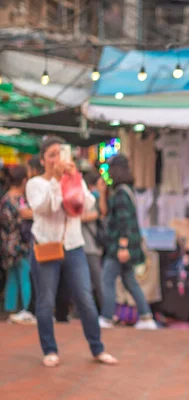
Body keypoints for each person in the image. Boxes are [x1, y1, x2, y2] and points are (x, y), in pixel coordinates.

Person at [26, 136, 117, 368]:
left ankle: (97, 348)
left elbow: (86, 204)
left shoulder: (74, 178)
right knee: (46, 300)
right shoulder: (35, 184)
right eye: (52, 155)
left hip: (74, 246)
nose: (57, 159)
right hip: (47, 246)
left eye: (60, 153)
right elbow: (45, 208)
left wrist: (74, 179)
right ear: (44, 160)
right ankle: (49, 349)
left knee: (85, 298)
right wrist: (56, 181)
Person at [98, 155, 157, 330]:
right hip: (123, 245)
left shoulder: (122, 192)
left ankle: (106, 318)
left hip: (119, 246)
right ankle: (146, 317)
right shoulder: (122, 191)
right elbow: (105, 212)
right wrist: (103, 193)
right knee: (129, 280)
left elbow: (124, 222)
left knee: (107, 279)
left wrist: (123, 246)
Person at [0, 165, 35, 324]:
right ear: (23, 181)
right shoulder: (18, 200)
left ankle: (10, 310)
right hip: (20, 245)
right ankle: (27, 310)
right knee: (25, 275)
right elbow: (27, 216)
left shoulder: (5, 199)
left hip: (7, 244)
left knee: (13, 278)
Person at [82, 170, 104, 311]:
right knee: (90, 281)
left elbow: (102, 212)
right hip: (87, 246)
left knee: (93, 280)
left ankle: (103, 310)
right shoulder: (88, 197)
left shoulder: (97, 197)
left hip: (92, 246)